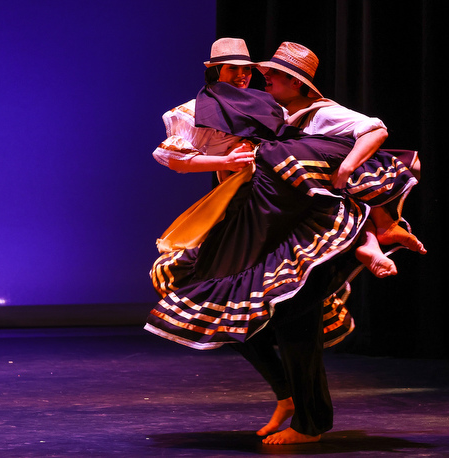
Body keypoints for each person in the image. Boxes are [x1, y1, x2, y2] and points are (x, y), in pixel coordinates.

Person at [146, 40, 419, 446]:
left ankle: (373, 239)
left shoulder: (292, 109)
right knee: (234, 308)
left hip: (287, 217)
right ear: (212, 68)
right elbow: (171, 157)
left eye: (249, 70)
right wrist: (224, 162)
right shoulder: (195, 111)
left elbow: (368, 136)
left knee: (292, 318)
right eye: (233, 69)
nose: (244, 76)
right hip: (252, 217)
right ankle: (289, 398)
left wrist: (345, 167)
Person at [259, 42, 426, 271]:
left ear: (296, 82)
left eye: (274, 72)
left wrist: (346, 168)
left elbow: (376, 129)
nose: (266, 76)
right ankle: (376, 236)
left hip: (328, 203)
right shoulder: (284, 113)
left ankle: (376, 236)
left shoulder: (321, 112)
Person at [152, 38, 257, 183]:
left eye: (246, 68)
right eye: (232, 68)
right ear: (217, 72)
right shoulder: (203, 109)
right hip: (236, 189)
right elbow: (175, 160)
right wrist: (226, 161)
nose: (241, 74)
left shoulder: (259, 104)